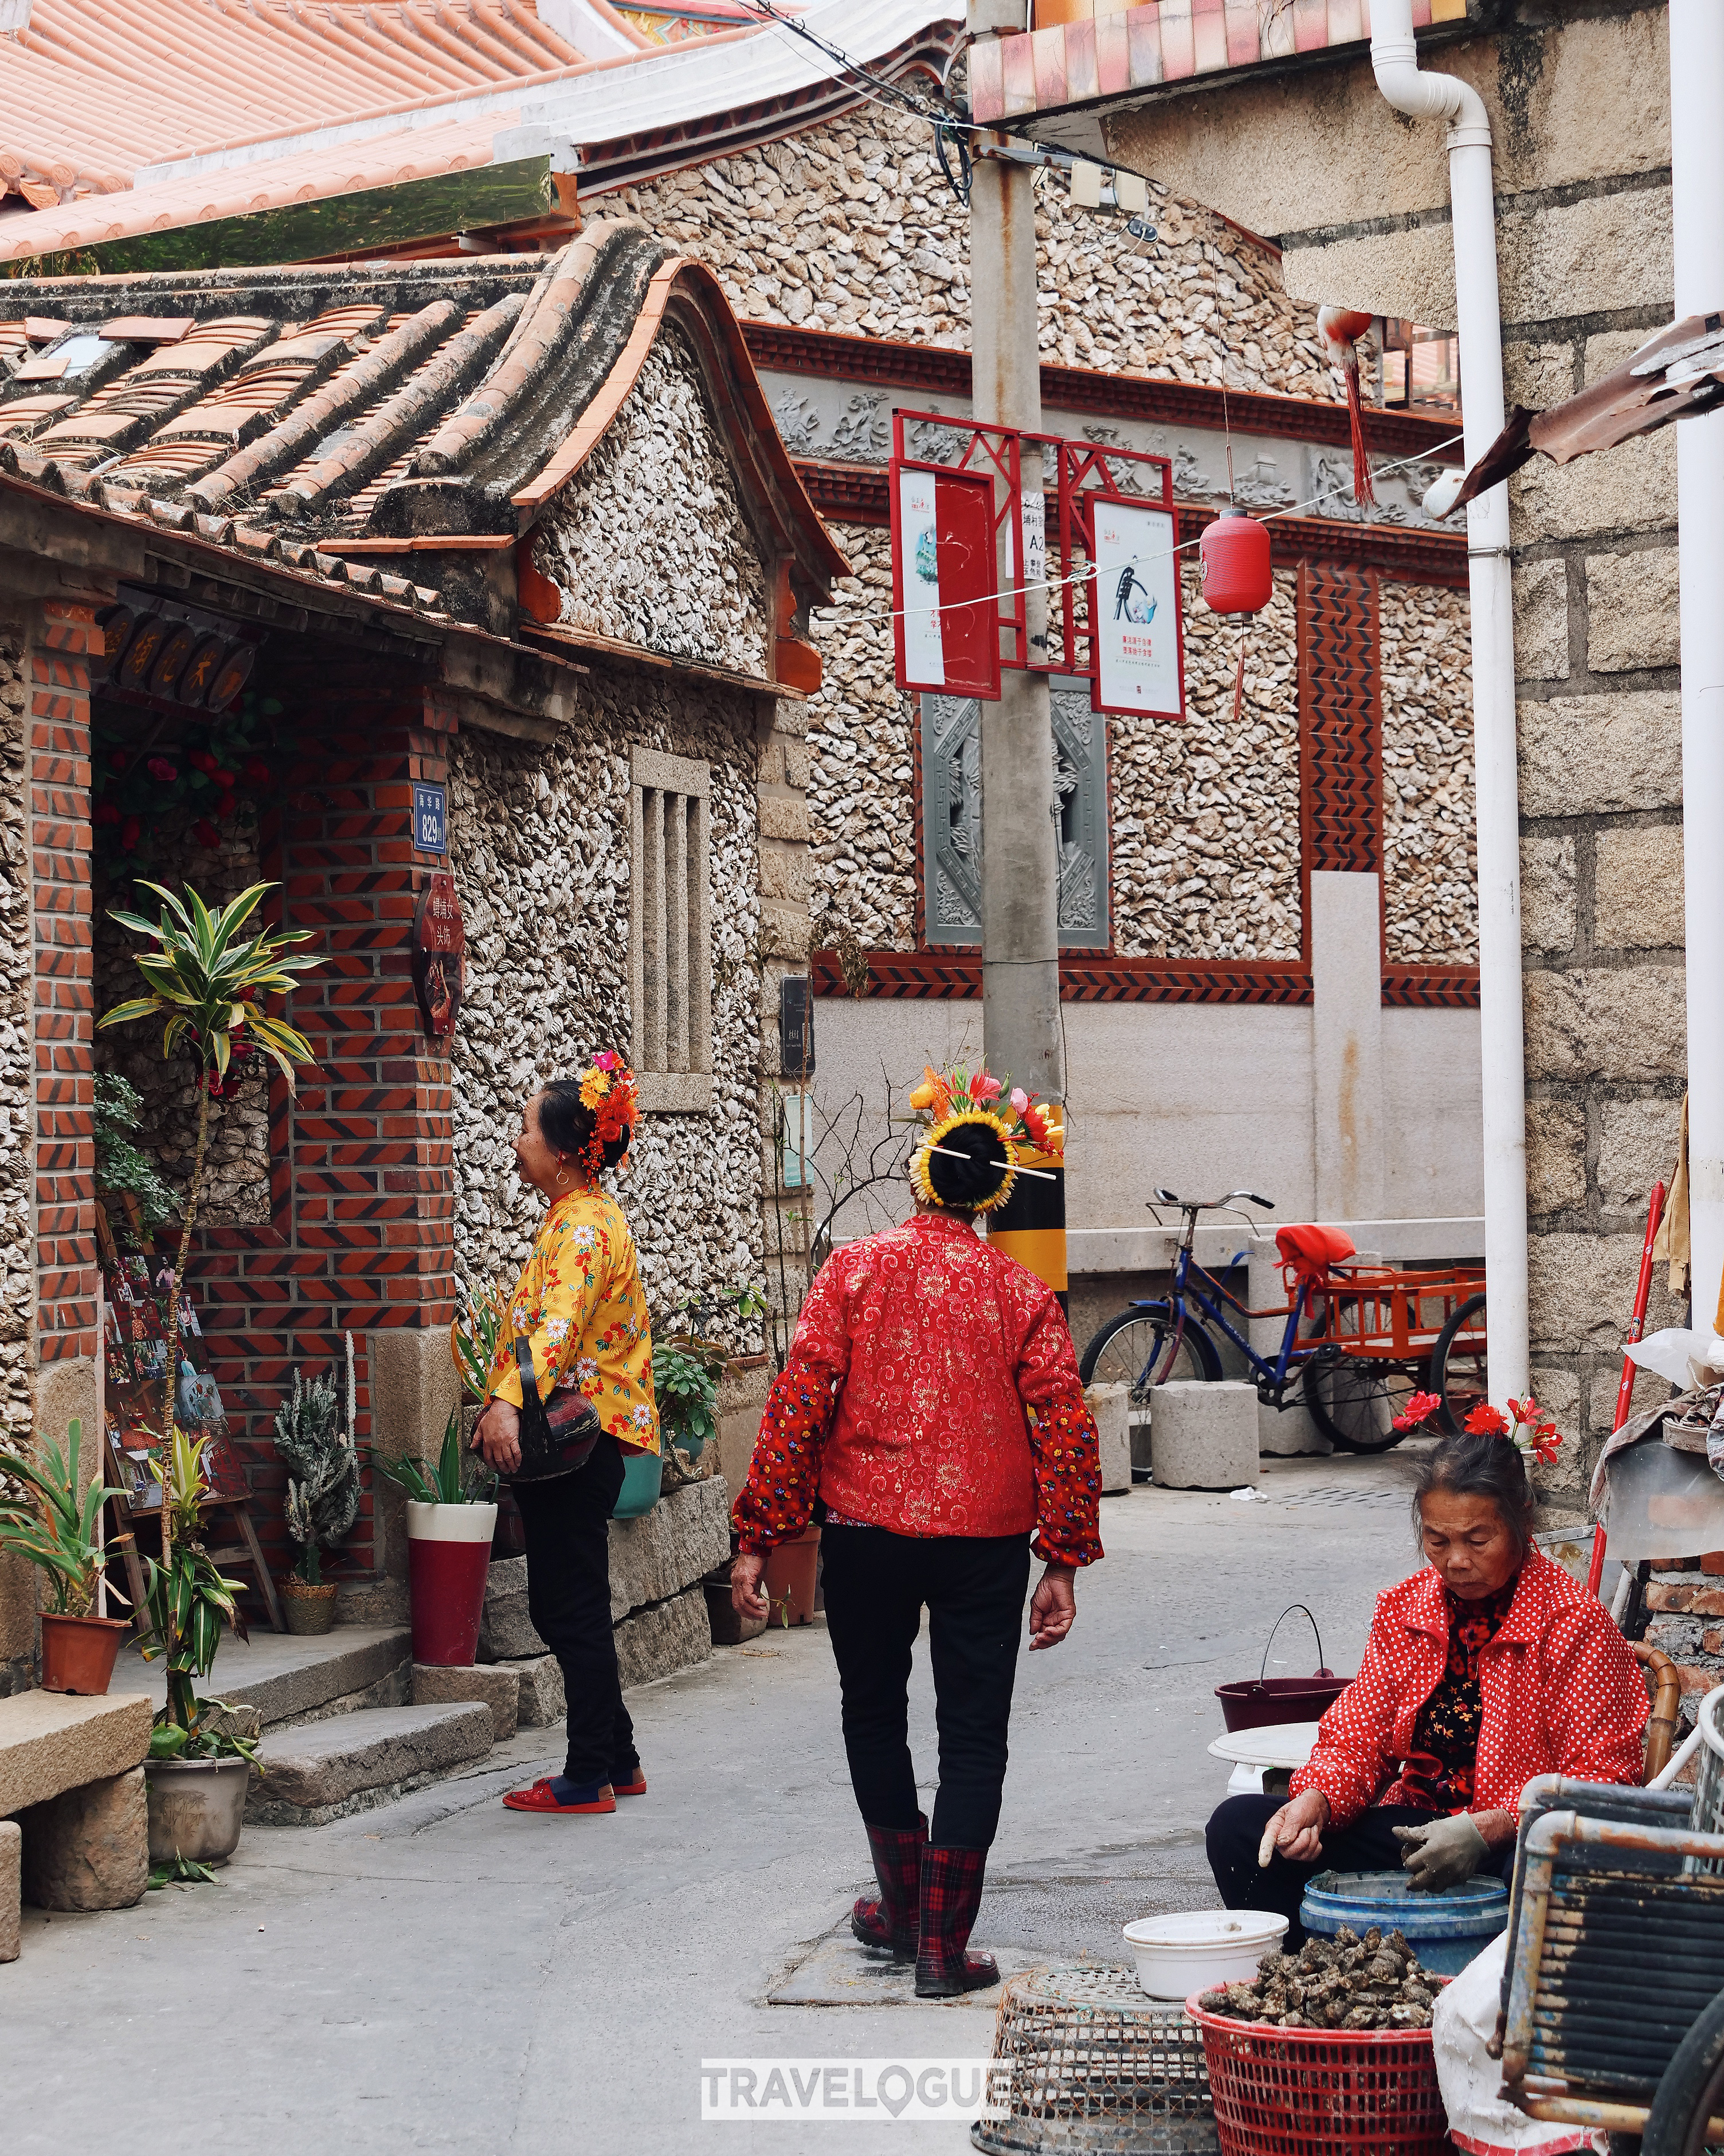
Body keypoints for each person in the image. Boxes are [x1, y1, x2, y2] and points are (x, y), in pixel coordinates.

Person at [730, 1063, 1103, 1998]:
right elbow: (1062, 1421)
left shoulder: (852, 1271)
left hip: (863, 1531)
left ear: (918, 1175)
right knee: (972, 1737)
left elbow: (798, 1402)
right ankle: (941, 1946)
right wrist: (1058, 1560)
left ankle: (902, 1909)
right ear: (993, 1197)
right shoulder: (1018, 1295)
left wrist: (761, 1535)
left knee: (873, 1712)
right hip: (985, 1540)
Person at [1207, 1406, 1649, 1939]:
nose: (1455, 1560)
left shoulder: (1572, 1621)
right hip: (1412, 1831)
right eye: (1438, 1540)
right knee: (1239, 1829)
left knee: (1544, 1872)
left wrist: (1490, 1827)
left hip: (1508, 1841)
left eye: (1477, 1539)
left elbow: (1601, 1778)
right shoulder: (1407, 1609)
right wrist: (1316, 1799)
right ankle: (1319, 1981)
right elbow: (1356, 1736)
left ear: (1522, 1523)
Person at [471, 1055, 659, 1818]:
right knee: (570, 1601)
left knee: (567, 1606)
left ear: (559, 1151)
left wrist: (507, 1402)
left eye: (523, 1131)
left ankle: (588, 1776)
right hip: (594, 1441)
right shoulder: (582, 1217)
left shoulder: (580, 1228)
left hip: (579, 1443)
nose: (516, 1144)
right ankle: (618, 1755)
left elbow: (558, 1327)